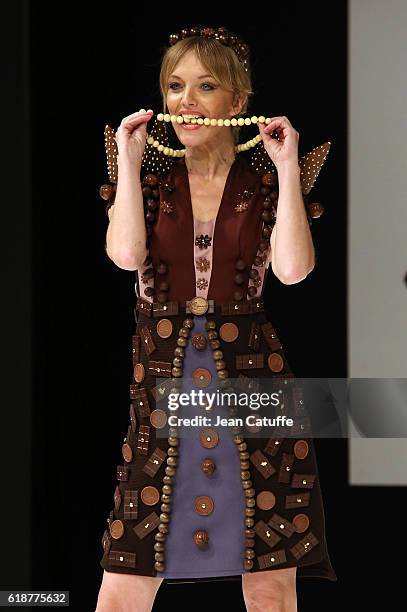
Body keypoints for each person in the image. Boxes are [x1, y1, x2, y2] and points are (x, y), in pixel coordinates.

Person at [95, 25, 336, 612]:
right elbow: (125, 256)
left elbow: (294, 271)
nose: (185, 101)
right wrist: (128, 160)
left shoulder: (264, 181)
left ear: (238, 101)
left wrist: (283, 168)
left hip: (252, 379)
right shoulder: (150, 179)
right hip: (163, 380)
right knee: (125, 583)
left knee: (271, 582)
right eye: (175, 86)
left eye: (205, 87)